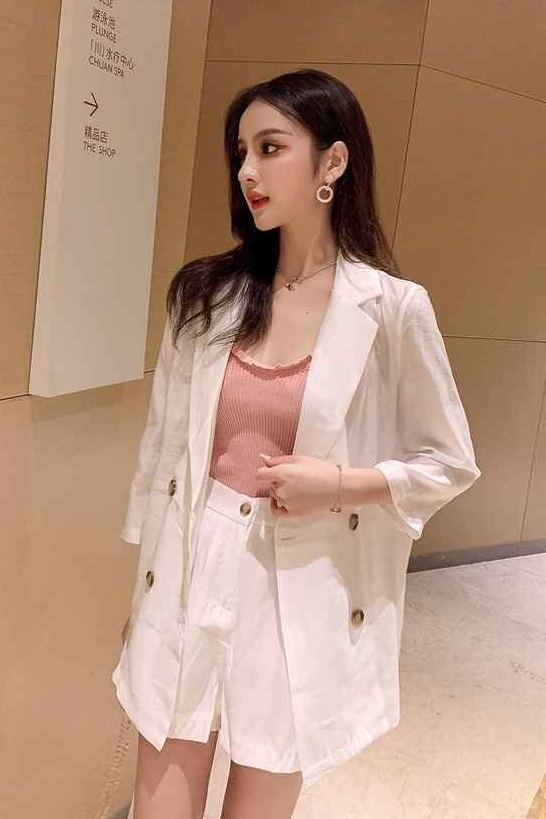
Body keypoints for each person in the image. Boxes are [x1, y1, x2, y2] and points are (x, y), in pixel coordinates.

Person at [112, 68, 481, 818]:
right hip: (192, 559)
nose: (247, 171)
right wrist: (142, 597)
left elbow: (448, 463)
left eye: (270, 147)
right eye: (241, 152)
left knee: (261, 795)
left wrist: (338, 485)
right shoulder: (204, 295)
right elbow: (161, 454)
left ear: (332, 162)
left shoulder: (392, 310)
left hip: (297, 579)